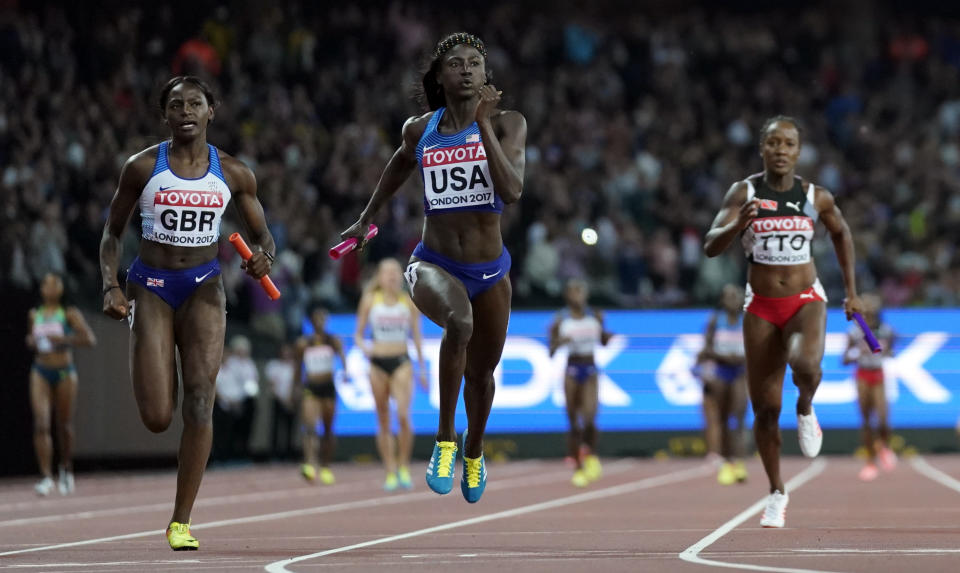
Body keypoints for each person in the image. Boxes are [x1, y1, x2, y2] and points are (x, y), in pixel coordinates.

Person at [340, 32, 526, 503]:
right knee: (458, 322)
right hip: (433, 262)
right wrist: (366, 220)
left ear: (486, 77)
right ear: (439, 78)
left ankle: (475, 450)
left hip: (491, 269)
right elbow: (399, 166)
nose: (466, 70)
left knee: (482, 376)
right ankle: (445, 440)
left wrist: (482, 126)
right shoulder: (418, 129)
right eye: (456, 64)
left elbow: (512, 190)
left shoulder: (508, 124)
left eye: (475, 64)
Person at [99, 76, 275, 550]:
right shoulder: (141, 167)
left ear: (211, 111)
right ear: (165, 116)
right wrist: (111, 284)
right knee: (158, 416)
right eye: (175, 105)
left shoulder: (235, 173)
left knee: (200, 403)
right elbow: (112, 234)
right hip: (151, 287)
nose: (185, 112)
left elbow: (263, 237)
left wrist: (264, 258)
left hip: (204, 288)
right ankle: (160, 368)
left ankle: (181, 521)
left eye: (194, 103)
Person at [703, 115, 863, 528]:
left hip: (805, 298)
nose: (780, 150)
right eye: (773, 142)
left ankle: (806, 406)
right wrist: (739, 223)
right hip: (760, 306)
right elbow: (710, 246)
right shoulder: (745, 191)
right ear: (762, 148)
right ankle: (776, 491)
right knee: (766, 411)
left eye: (788, 143)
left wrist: (852, 292)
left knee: (806, 364)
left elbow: (842, 234)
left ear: (798, 150)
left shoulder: (815, 196)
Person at [354, 259, 428, 491]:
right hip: (377, 363)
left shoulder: (408, 302)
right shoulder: (369, 301)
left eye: (396, 272)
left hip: (401, 362)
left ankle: (404, 465)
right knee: (383, 418)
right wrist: (365, 348)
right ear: (379, 276)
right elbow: (357, 334)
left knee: (404, 416)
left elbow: (417, 336)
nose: (392, 276)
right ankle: (390, 470)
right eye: (387, 272)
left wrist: (422, 368)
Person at [26, 273, 96, 496]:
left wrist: (64, 340)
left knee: (63, 425)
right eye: (46, 283)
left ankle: (65, 467)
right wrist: (31, 342)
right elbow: (34, 343)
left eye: (55, 283)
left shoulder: (69, 313)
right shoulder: (34, 314)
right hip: (40, 371)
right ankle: (46, 476)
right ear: (41, 289)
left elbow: (89, 340)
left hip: (65, 372)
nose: (50, 287)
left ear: (62, 288)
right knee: (41, 423)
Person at [548, 279, 612, 488]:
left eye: (580, 291)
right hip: (572, 370)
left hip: (590, 368)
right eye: (573, 291)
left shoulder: (595, 315)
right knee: (574, 421)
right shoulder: (560, 319)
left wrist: (606, 332)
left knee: (590, 417)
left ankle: (591, 454)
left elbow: (603, 341)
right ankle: (578, 466)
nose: (578, 295)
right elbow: (550, 350)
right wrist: (560, 342)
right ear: (567, 296)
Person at [842, 293, 896, 481]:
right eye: (868, 311)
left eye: (874, 310)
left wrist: (883, 350)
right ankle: (870, 462)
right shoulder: (854, 333)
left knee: (882, 418)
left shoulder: (886, 331)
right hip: (862, 376)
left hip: (878, 374)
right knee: (866, 420)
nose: (871, 314)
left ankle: (884, 446)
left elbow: (891, 352)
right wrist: (859, 352)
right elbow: (844, 359)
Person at [699, 284, 749, 485]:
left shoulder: (748, 322)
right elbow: (706, 350)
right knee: (722, 418)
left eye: (736, 296)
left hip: (740, 373)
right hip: (721, 372)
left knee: (739, 416)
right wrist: (725, 357)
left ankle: (739, 461)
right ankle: (727, 462)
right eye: (729, 296)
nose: (733, 300)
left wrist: (741, 358)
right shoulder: (715, 321)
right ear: (722, 300)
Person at [294, 306, 346, 485]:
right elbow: (297, 367)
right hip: (311, 387)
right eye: (316, 319)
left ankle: (326, 466)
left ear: (326, 321)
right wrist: (295, 387)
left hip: (328, 388)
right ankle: (309, 463)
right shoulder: (303, 343)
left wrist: (346, 372)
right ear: (311, 321)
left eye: (322, 319)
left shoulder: (333, 341)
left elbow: (343, 359)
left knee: (328, 429)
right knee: (309, 426)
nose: (319, 322)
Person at [213, 335, 259, 461]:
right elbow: (217, 389)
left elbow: (246, 385)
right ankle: (221, 456)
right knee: (222, 431)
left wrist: (239, 400)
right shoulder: (230, 364)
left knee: (242, 430)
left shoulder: (239, 366)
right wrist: (228, 401)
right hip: (223, 404)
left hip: (239, 402)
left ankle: (238, 454)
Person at [265, 343, 297, 460]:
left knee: (290, 428)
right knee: (276, 427)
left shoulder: (295, 366)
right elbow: (272, 385)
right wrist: (282, 400)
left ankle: (288, 453)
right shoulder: (273, 365)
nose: (286, 354)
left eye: (288, 351)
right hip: (278, 400)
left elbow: (297, 385)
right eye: (284, 351)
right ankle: (274, 453)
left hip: (291, 400)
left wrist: (291, 399)